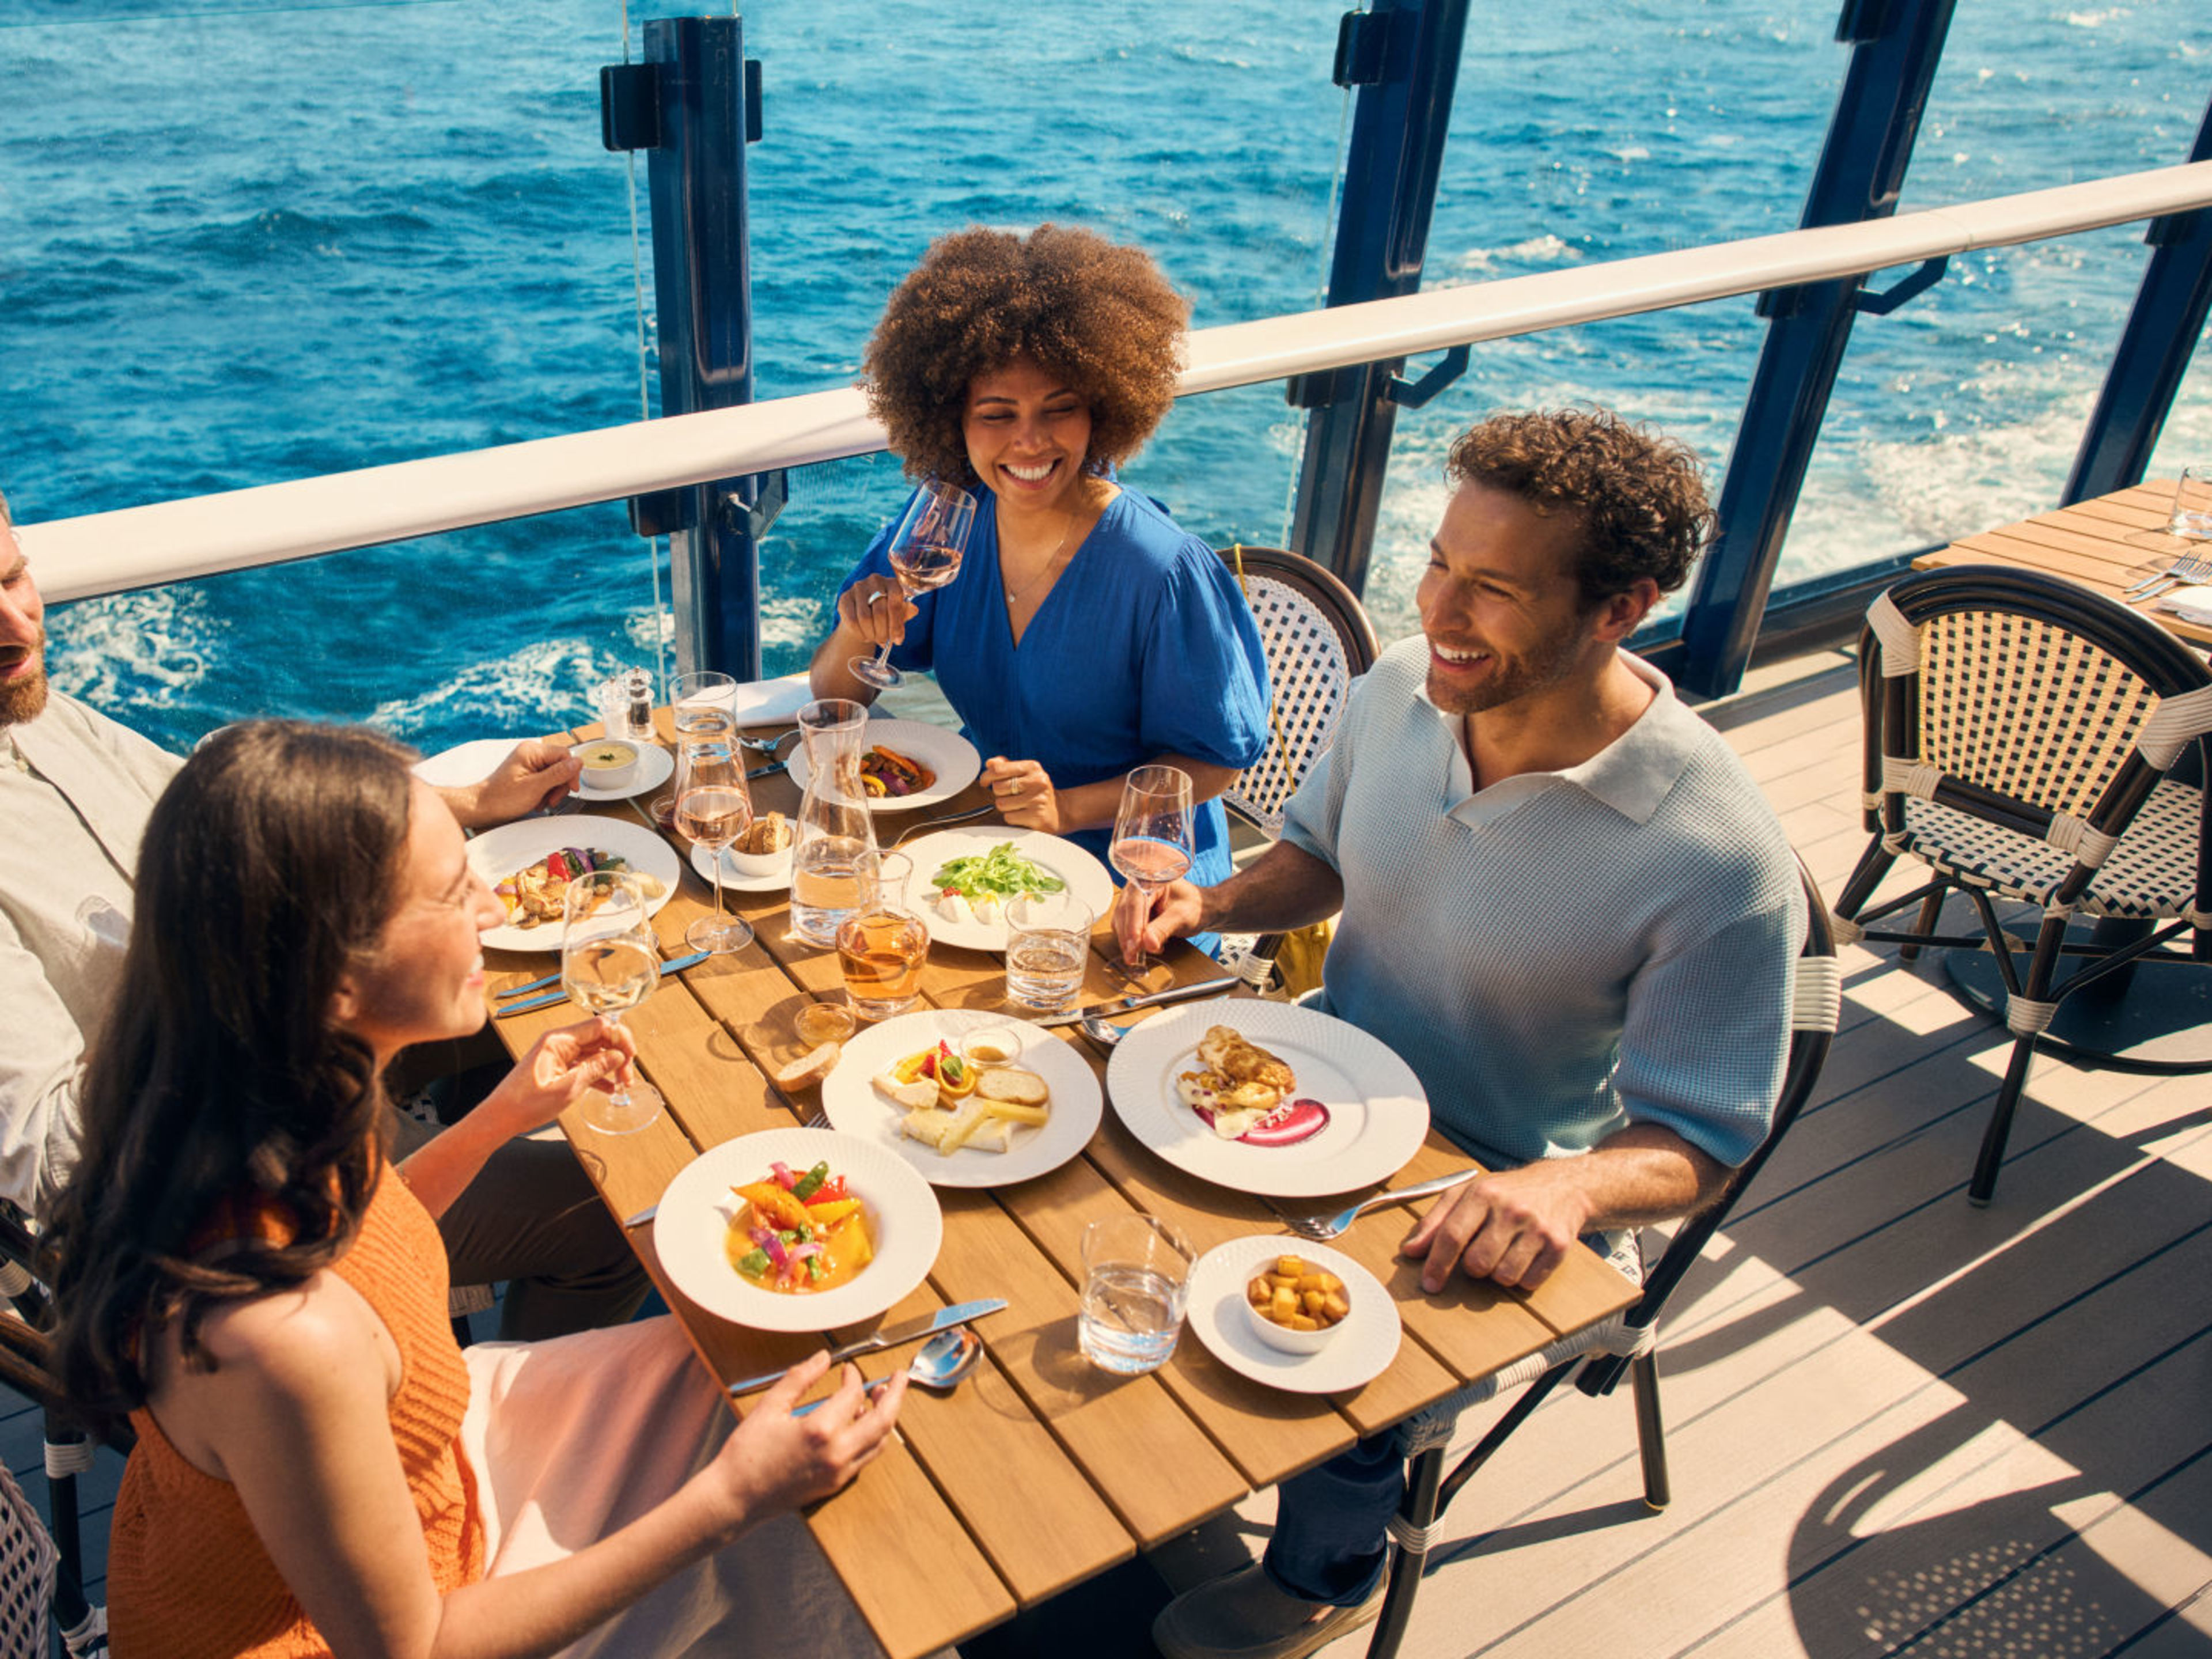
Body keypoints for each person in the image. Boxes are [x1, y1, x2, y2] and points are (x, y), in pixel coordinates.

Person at [1122, 408, 1805, 1659]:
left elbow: (1704, 1140)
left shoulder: (1719, 856)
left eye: (1492, 588)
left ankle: (1329, 1570)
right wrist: (1209, 901)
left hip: (1491, 1182)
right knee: (1103, 1202)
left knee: (1349, 1350)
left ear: (1622, 609)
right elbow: (1321, 858)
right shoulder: (1397, 688)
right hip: (1312, 1091)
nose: (1441, 609)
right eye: (1440, 562)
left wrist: (1569, 1187)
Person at [47, 721, 906, 1658]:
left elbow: (360, 1249)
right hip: (373, 1620)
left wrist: (497, 1116)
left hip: (430, 1463)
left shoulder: (268, 1104)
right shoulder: (281, 1340)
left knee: (773, 1365)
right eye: (457, 894)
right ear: (335, 977)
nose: (495, 913)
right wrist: (732, 1500)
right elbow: (413, 1647)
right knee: (829, 1554)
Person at [0, 490, 646, 1340]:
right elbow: (52, 1164)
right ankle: (475, 1413)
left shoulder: (34, 712)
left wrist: (474, 803)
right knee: (615, 1208)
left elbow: (249, 819)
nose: (16, 624)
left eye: (15, 578)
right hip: (213, 1221)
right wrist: (262, 1006)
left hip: (313, 1097)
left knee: (526, 988)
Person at [808, 224, 1270, 922]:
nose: (1030, 440)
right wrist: (853, 633)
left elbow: (1218, 762)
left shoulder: (1162, 569)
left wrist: (1068, 808)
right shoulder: (945, 524)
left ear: (1105, 409)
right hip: (987, 857)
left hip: (1134, 886)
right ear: (950, 423)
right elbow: (838, 699)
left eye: (1060, 409)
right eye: (997, 415)